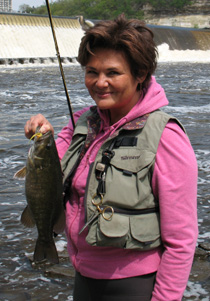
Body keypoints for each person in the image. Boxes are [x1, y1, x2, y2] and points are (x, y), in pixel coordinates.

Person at [24, 14, 198, 301]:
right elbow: (47, 170)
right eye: (92, 71)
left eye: (113, 73)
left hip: (136, 286)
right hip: (84, 280)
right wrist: (40, 133)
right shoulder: (80, 123)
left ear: (140, 74)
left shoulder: (166, 137)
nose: (99, 82)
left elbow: (181, 241)